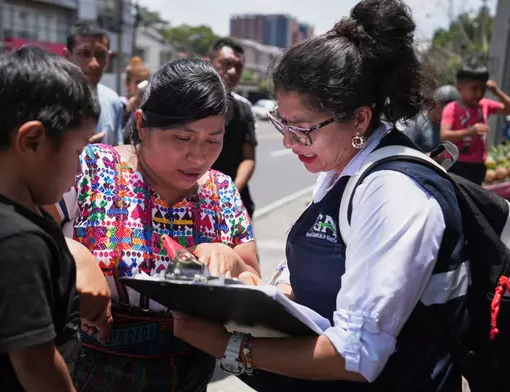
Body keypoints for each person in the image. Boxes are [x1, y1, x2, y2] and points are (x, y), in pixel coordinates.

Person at [172, 1, 472, 391]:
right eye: (282, 122)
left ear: (360, 120)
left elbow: (356, 354)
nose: (287, 141)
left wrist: (228, 346)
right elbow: (317, 276)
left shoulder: (392, 192)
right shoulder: (340, 172)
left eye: (302, 128)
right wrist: (259, 293)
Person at [56, 57, 259, 391]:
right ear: (143, 124)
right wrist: (75, 253)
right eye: (182, 138)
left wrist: (231, 259)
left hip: (189, 373)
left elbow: (254, 285)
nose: (198, 157)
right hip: (88, 368)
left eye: (213, 140)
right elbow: (25, 226)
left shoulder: (221, 191)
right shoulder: (91, 170)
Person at [0, 46, 100, 390]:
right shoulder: (13, 242)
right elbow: (36, 365)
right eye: (77, 151)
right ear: (33, 140)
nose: (79, 169)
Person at [440, 63, 510, 185]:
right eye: (474, 89)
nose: (479, 94)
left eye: (483, 89)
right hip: (456, 164)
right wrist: (470, 132)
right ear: (459, 87)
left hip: (478, 165)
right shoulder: (452, 108)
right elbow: (445, 135)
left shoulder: (485, 104)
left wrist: (496, 91)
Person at [208, 38, 258, 218]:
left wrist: (230, 192)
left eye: (238, 66)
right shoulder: (187, 105)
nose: (232, 71)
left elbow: (248, 158)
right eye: (225, 64)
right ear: (210, 63)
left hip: (234, 204)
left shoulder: (244, 108)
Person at [65, 19, 124, 146]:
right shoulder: (53, 100)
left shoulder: (113, 101)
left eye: (100, 55)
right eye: (84, 54)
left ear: (109, 57)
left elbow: (118, 155)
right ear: (67, 56)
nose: (94, 64)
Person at [401, 85, 459, 153]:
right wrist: (430, 157)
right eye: (443, 107)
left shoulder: (449, 126)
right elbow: (405, 152)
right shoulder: (416, 124)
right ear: (434, 104)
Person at [122, 56, 151, 142]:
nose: (142, 85)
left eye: (146, 81)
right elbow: (124, 136)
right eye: (138, 82)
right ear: (128, 83)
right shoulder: (122, 104)